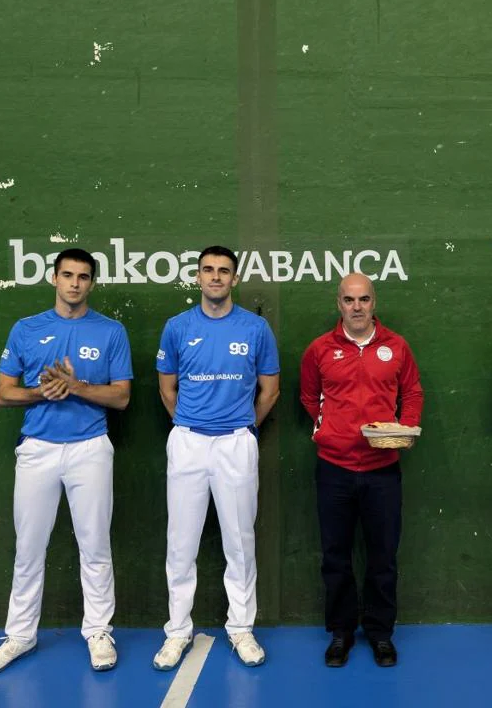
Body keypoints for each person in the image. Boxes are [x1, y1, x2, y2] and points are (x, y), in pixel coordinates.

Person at [0, 248, 133, 675]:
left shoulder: (111, 331)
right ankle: (20, 636)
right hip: (37, 450)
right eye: (68, 275)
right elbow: (3, 393)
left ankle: (99, 631)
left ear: (92, 283)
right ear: (54, 279)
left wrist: (77, 386)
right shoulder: (26, 330)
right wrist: (42, 392)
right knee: (28, 548)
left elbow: (121, 396)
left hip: (90, 450)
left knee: (95, 546)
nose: (75, 284)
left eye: (83, 277)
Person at [153, 246, 280, 670]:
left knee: (240, 542)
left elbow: (270, 390)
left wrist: (241, 426)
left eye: (223, 271)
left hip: (236, 444)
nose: (215, 277)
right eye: (208, 270)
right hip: (188, 442)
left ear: (235, 278)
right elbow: (166, 388)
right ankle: (177, 631)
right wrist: (191, 424)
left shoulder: (256, 328)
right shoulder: (176, 327)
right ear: (197, 277)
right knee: (181, 543)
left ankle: (241, 628)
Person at [299, 273, 424, 668]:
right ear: (339, 304)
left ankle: (380, 633)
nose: (357, 307)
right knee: (336, 556)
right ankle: (340, 633)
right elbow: (308, 395)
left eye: (364, 299)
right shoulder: (319, 349)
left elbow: (413, 392)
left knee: (382, 556)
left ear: (374, 303)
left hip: (383, 470)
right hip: (333, 468)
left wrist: (405, 429)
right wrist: (327, 430)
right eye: (349, 300)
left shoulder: (397, 346)